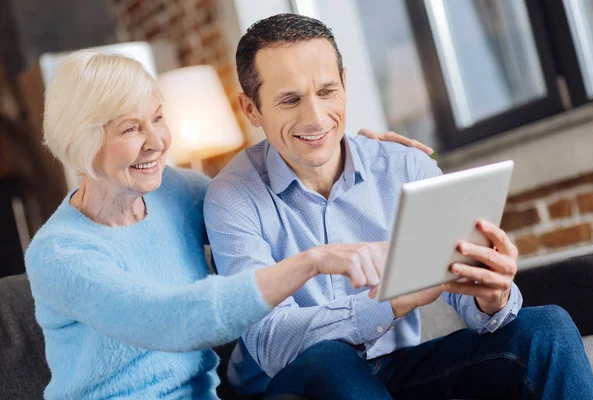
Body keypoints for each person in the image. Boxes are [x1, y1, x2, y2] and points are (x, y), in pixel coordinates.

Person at [204, 13, 593, 400]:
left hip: (394, 367)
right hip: (292, 383)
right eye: (290, 100)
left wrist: (489, 296)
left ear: (345, 82)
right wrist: (389, 302)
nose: (316, 117)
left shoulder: (403, 165)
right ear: (251, 109)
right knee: (328, 359)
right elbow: (272, 343)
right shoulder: (232, 198)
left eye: (327, 91)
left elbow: (463, 288)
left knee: (546, 327)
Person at [24, 49, 428, 399]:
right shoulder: (60, 253)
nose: (157, 141)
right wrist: (313, 261)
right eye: (130, 129)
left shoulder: (173, 193)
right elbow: (174, 321)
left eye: (158, 118)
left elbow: (264, 194)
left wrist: (354, 152)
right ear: (80, 142)